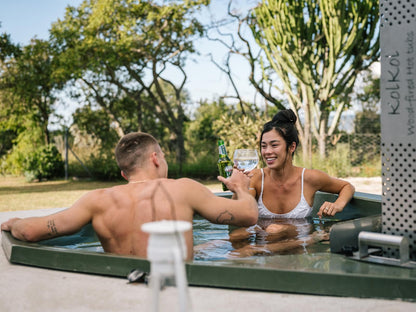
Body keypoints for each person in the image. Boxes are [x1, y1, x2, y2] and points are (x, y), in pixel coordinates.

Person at [1, 132, 258, 261]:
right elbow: (248, 215)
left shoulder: (96, 200)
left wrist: (14, 223)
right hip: (173, 289)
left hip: (123, 286)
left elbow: (31, 232)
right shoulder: (182, 188)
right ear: (155, 158)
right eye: (164, 156)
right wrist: (240, 187)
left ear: (124, 173)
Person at [247, 108, 355, 219]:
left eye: (274, 145)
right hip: (264, 235)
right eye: (263, 146)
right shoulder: (255, 178)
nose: (267, 152)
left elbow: (347, 186)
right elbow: (242, 218)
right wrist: (238, 187)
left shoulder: (310, 178)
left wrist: (337, 205)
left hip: (301, 236)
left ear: (292, 147)